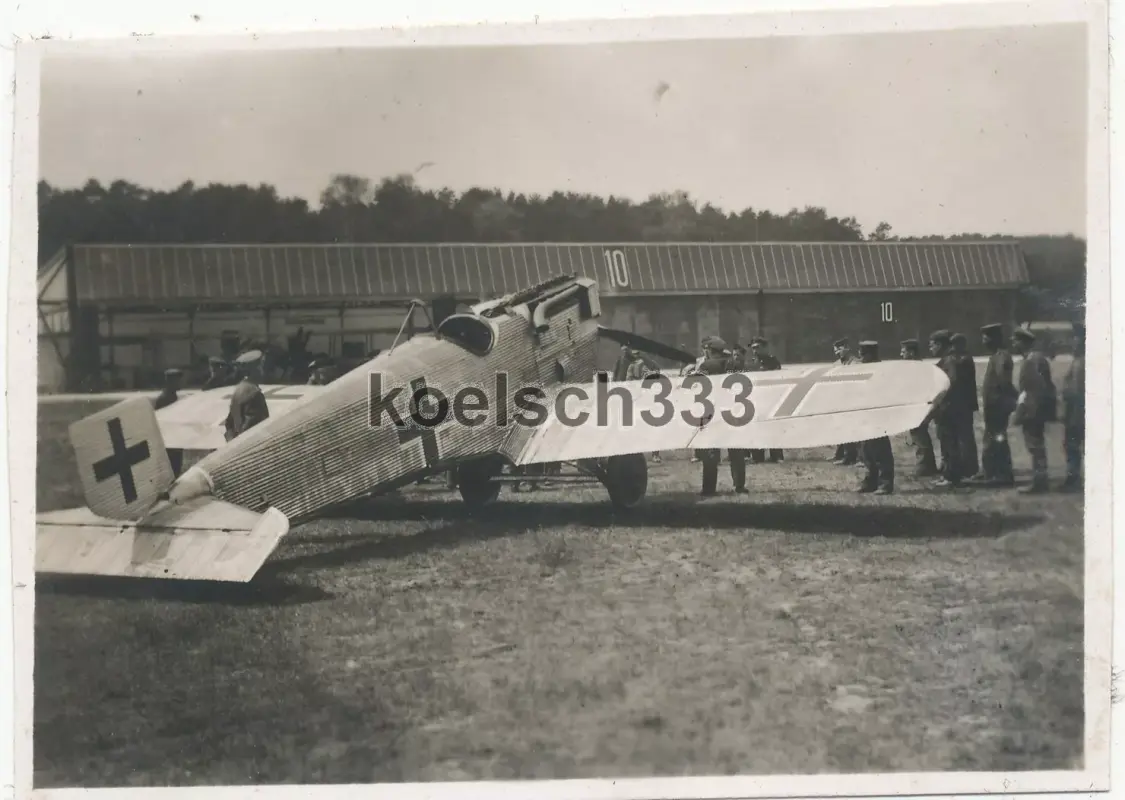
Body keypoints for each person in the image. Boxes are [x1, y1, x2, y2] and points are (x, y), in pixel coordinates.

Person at [693, 337, 747, 496]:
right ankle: (739, 485)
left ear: (708, 350)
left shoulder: (706, 366)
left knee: (711, 454)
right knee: (737, 452)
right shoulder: (735, 364)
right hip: (733, 410)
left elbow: (697, 387)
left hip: (713, 412)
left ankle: (709, 488)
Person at [1010, 327, 1057, 494]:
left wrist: (1029, 410)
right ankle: (1039, 481)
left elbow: (1038, 388)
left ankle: (1040, 482)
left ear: (1023, 342)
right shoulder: (1032, 358)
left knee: (1035, 446)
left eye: (1016, 340)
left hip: (1033, 409)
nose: (1013, 343)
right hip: (1033, 408)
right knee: (1034, 446)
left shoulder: (1034, 359)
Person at [974, 323, 1017, 487]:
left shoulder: (1002, 356)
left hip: (998, 406)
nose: (983, 341)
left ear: (994, 339)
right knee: (992, 438)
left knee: (997, 439)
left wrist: (1013, 399)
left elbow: (1003, 382)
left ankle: (1001, 474)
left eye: (986, 338)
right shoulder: (995, 355)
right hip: (993, 406)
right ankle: (990, 471)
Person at [928, 329, 969, 489]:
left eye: (932, 345)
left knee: (949, 443)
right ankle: (950, 475)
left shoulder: (949, 361)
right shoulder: (949, 360)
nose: (930, 348)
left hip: (948, 409)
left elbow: (949, 384)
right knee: (948, 443)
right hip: (949, 408)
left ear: (939, 345)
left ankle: (951, 477)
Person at [856, 341, 894, 494]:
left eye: (863, 354)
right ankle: (870, 480)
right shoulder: (864, 368)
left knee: (880, 450)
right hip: (865, 412)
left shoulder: (880, 370)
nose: (860, 357)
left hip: (878, 414)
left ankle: (885, 482)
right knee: (866, 450)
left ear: (870, 354)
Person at [900, 339, 939, 476]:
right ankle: (926, 465)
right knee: (917, 436)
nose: (901, 354)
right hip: (915, 406)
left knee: (919, 436)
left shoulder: (918, 368)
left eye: (903, 351)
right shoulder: (915, 367)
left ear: (911, 352)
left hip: (919, 407)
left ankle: (925, 466)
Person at [950, 333, 980, 478]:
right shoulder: (963, 358)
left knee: (965, 438)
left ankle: (969, 467)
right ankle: (968, 466)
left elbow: (956, 377)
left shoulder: (964, 360)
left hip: (963, 404)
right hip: (964, 404)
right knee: (965, 437)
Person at [224, 350, 271, 441]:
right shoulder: (254, 393)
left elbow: (229, 423)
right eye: (260, 366)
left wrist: (232, 442)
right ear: (254, 369)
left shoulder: (239, 390)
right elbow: (253, 426)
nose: (262, 371)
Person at [1060, 322, 1085, 490]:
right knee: (1071, 444)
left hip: (1077, 410)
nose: (1072, 343)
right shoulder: (1077, 360)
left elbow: (1078, 391)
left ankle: (1074, 478)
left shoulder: (1081, 362)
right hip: (1074, 409)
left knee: (1073, 444)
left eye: (1075, 339)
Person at [830, 338, 859, 465]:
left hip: (852, 399)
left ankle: (851, 457)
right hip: (840, 399)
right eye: (835, 350)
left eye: (840, 349)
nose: (837, 352)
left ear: (847, 347)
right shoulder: (836, 365)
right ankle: (841, 454)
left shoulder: (856, 363)